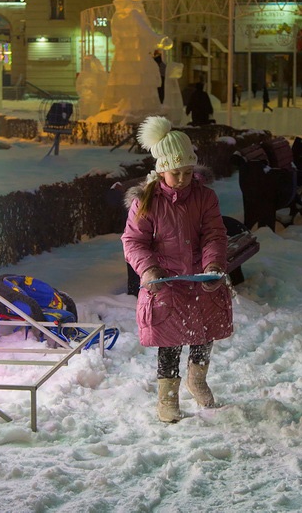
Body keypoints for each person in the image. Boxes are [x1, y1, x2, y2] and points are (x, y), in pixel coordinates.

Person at [121, 116, 232, 423]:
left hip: (200, 280)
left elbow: (214, 233)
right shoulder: (147, 201)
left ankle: (197, 379)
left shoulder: (204, 196)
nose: (183, 178)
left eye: (187, 172)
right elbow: (134, 241)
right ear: (161, 171)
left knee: (203, 332)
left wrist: (213, 264)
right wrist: (148, 270)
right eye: (176, 173)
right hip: (166, 283)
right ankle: (167, 398)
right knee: (170, 341)